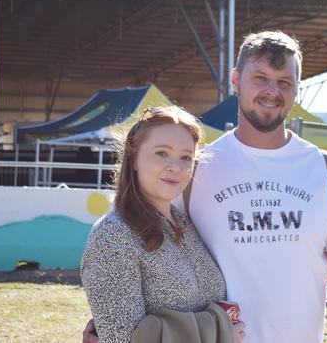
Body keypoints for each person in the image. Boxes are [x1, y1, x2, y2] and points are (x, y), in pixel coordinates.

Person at [84, 31, 327, 343]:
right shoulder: (196, 169)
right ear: (236, 81)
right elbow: (141, 254)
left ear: (296, 89)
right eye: (260, 77)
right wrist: (111, 327)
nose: (272, 91)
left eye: (285, 82)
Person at [81, 106, 246, 343]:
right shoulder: (113, 234)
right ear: (134, 156)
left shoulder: (186, 225)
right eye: (161, 153)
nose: (175, 167)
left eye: (186, 157)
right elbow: (122, 339)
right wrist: (219, 330)